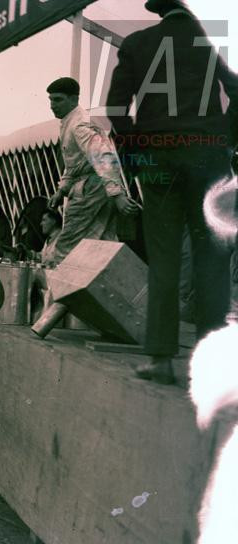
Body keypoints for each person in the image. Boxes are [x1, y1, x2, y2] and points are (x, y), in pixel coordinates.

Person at [106, 0, 238, 384]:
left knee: (163, 256)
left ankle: (161, 359)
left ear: (160, 8)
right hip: (209, 160)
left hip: (158, 160)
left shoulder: (137, 43)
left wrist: (135, 146)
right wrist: (225, 139)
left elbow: (116, 107)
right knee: (211, 258)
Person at [46, 77, 136, 264]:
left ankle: (60, 292)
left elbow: (103, 156)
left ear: (74, 99)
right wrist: (62, 190)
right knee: (103, 244)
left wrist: (117, 194)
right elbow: (75, 163)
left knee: (66, 247)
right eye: (51, 100)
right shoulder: (73, 122)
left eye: (58, 99)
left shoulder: (79, 125)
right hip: (98, 186)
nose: (52, 105)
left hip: (90, 188)